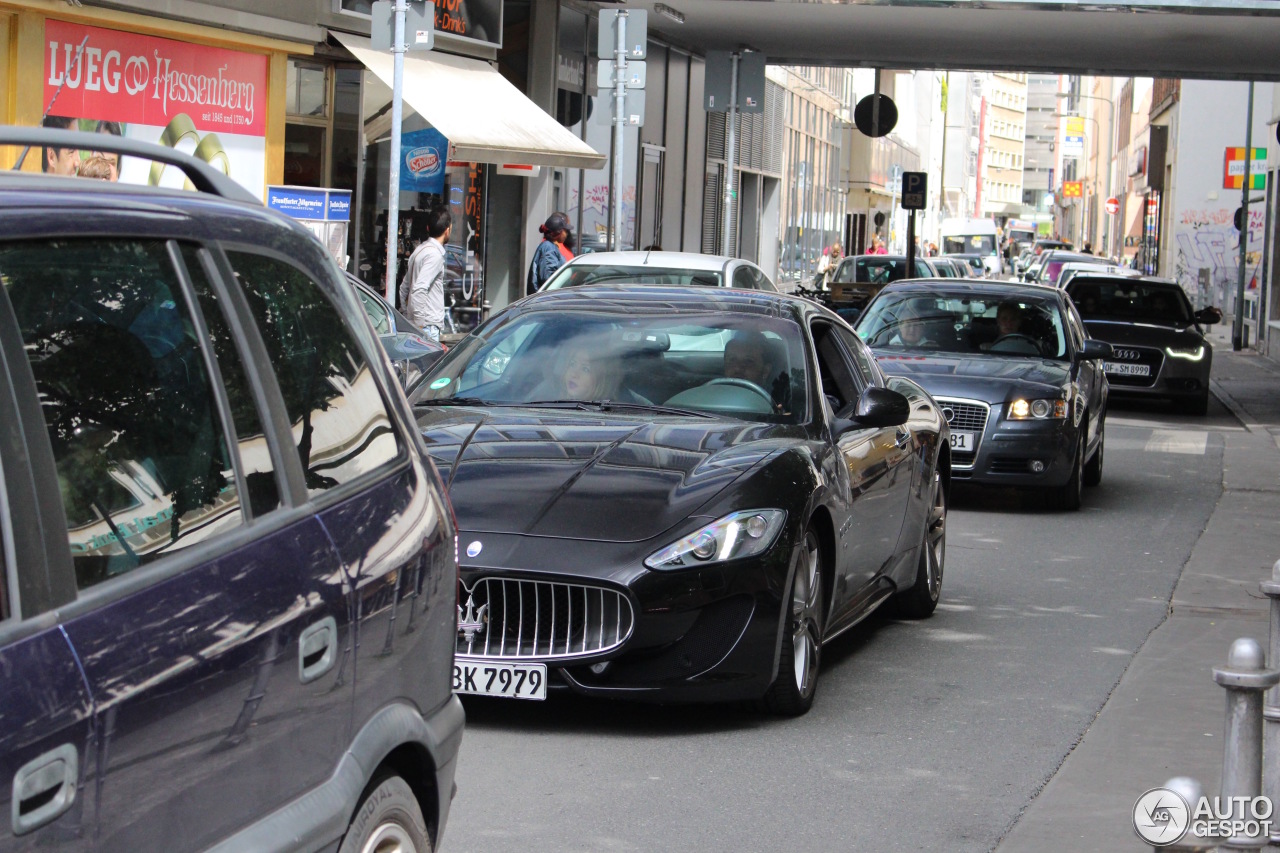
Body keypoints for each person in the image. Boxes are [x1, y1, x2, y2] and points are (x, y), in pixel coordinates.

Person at [399, 206, 451, 342]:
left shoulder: (419, 251)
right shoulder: (434, 255)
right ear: (447, 230)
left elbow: (404, 288)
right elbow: (419, 289)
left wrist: (407, 315)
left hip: (419, 324)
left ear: (428, 228)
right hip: (427, 327)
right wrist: (420, 324)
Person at [527, 212, 572, 295]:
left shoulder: (551, 247)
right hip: (545, 300)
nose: (566, 234)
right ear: (559, 232)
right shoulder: (549, 248)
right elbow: (548, 278)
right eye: (565, 231)